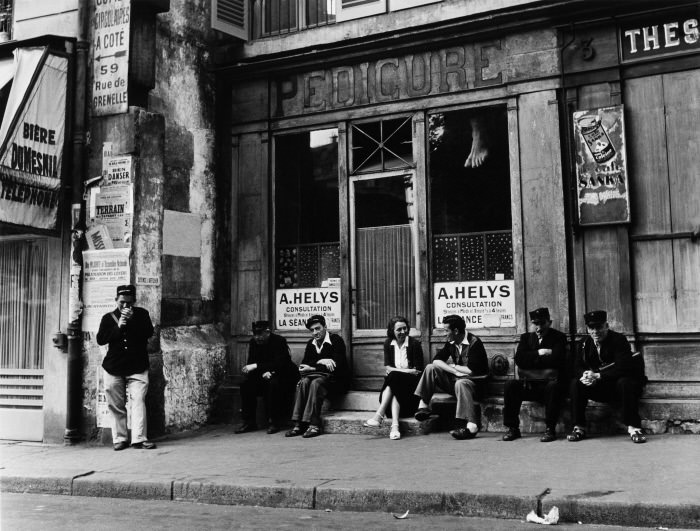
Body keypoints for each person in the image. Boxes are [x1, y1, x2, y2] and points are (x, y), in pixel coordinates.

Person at [568, 310, 647, 444]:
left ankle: (634, 428)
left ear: (607, 326)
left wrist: (598, 376)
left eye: (599, 327)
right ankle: (579, 427)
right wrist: (585, 376)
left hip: (618, 388)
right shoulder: (584, 343)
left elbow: (623, 367)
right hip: (599, 387)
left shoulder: (618, 340)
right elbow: (576, 366)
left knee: (625, 382)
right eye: (591, 328)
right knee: (576, 384)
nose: (595, 331)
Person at [96, 285, 156, 450]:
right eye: (122, 302)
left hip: (137, 366)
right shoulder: (108, 318)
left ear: (134, 302)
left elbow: (148, 333)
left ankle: (139, 438)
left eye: (129, 303)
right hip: (113, 367)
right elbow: (101, 339)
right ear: (116, 300)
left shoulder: (142, 315)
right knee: (116, 404)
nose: (125, 306)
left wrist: (131, 322)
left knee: (138, 400)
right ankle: (120, 439)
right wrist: (119, 326)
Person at [413, 314, 488, 440]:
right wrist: (454, 371)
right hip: (457, 383)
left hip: (475, 386)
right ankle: (424, 406)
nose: (444, 333)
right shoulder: (451, 342)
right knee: (431, 368)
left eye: (446, 330)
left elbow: (470, 371)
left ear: (456, 331)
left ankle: (471, 426)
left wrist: (453, 367)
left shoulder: (475, 343)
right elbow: (436, 360)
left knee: (461, 383)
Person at [502, 307, 568, 442]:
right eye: (535, 324)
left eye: (542, 323)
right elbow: (520, 360)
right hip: (530, 385)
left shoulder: (559, 337)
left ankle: (550, 429)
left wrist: (531, 360)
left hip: (549, 385)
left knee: (553, 388)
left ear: (549, 322)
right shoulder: (526, 338)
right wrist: (541, 352)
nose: (538, 327)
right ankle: (513, 428)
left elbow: (557, 360)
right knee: (511, 385)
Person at [285, 315, 349, 439]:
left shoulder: (336, 340)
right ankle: (298, 424)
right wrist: (322, 361)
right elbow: (304, 365)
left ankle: (314, 424)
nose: (315, 332)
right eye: (312, 330)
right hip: (317, 378)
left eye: (318, 328)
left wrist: (314, 366)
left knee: (316, 383)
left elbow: (336, 366)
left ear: (325, 327)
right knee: (304, 382)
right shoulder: (311, 344)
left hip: (337, 381)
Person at [363, 316, 424, 440]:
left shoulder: (414, 344)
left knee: (394, 376)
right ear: (392, 331)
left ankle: (378, 416)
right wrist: (405, 371)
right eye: (399, 329)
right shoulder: (388, 343)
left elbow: (417, 371)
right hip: (393, 391)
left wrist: (397, 371)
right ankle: (394, 426)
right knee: (395, 381)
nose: (403, 332)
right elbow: (388, 367)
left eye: (405, 328)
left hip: (411, 392)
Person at [236, 321, 299, 434]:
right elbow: (251, 364)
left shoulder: (279, 341)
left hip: (283, 376)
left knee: (273, 384)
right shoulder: (253, 342)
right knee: (246, 385)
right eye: (255, 334)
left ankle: (274, 422)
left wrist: (268, 371)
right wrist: (261, 372)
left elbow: (282, 364)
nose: (257, 337)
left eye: (260, 334)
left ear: (267, 332)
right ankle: (249, 422)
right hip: (263, 375)